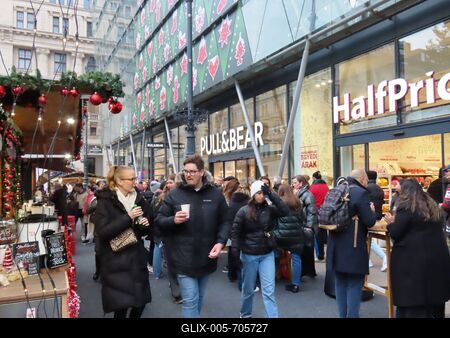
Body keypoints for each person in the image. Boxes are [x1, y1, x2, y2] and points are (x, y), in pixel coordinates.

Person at [155, 155, 231, 318]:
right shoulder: (175, 194)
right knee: (190, 300)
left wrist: (220, 242)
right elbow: (159, 220)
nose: (188, 175)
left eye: (192, 171)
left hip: (207, 256)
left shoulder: (215, 194)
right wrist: (173, 220)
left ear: (202, 172)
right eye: (186, 171)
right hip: (182, 256)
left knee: (199, 299)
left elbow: (225, 221)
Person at [384, 179, 450, 318]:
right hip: (437, 258)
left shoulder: (406, 207)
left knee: (413, 303)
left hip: (413, 262)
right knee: (433, 299)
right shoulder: (431, 205)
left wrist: (390, 223)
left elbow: (396, 232)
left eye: (398, 191)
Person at [95, 165, 152, 318]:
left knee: (140, 302)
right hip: (116, 261)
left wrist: (145, 224)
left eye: (135, 178)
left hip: (136, 258)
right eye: (131, 179)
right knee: (120, 307)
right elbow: (102, 232)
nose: (135, 182)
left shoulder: (140, 198)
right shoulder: (106, 201)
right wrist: (128, 217)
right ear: (119, 181)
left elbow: (148, 227)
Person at [231, 180, 289, 318]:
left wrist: (272, 194)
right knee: (248, 289)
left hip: (267, 253)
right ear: (252, 194)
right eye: (258, 193)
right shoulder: (243, 211)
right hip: (249, 255)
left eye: (263, 193)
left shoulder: (269, 209)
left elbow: (285, 210)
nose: (261, 196)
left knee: (269, 291)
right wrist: (235, 253)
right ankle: (245, 314)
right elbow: (235, 233)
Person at [326, 169, 376, 318]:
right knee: (354, 284)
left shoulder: (337, 190)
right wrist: (372, 210)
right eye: (366, 181)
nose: (366, 183)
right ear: (361, 179)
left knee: (340, 283)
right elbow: (369, 221)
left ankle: (343, 315)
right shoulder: (360, 193)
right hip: (353, 246)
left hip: (335, 244)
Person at [274, 184, 306, 293]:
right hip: (297, 236)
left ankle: (276, 274)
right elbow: (303, 219)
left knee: (273, 252)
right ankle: (295, 284)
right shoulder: (298, 202)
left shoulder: (279, 203)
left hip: (281, 236)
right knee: (296, 259)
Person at [291, 175, 317, 277]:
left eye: (295, 183)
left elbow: (312, 212)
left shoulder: (308, 195)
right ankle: (306, 271)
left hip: (305, 225)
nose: (292, 185)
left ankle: (307, 271)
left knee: (307, 249)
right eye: (293, 183)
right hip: (300, 224)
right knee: (305, 249)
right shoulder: (298, 193)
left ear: (301, 183)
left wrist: (309, 226)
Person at [366, 170, 388, 272]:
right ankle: (367, 260)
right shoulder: (379, 188)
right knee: (367, 238)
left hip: (370, 216)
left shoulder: (366, 188)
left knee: (367, 238)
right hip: (378, 215)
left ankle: (384, 257)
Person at [309, 171, 329, 261]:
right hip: (325, 211)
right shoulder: (326, 187)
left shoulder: (312, 187)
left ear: (313, 178)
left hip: (316, 212)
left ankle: (320, 254)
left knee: (317, 234)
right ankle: (324, 253)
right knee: (323, 232)